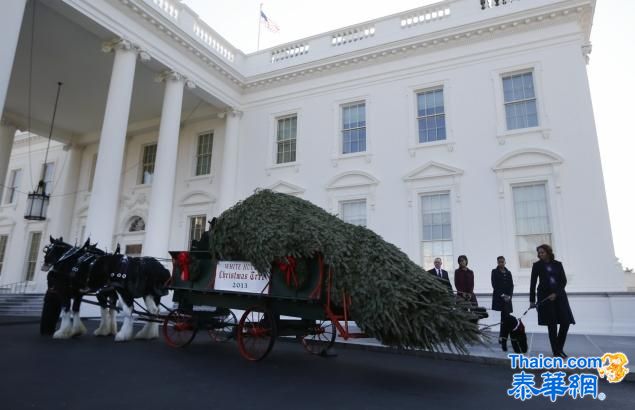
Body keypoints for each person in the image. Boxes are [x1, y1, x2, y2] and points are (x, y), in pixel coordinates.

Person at [529, 244, 575, 358]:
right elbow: (533, 283)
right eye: (539, 253)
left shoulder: (558, 264)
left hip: (559, 296)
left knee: (565, 322)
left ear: (548, 252)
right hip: (545, 298)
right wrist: (532, 300)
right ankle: (556, 352)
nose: (540, 254)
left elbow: (563, 281)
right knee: (552, 324)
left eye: (542, 252)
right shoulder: (537, 265)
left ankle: (558, 348)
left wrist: (556, 293)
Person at [491, 256, 514, 351]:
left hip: (508, 299)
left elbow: (511, 285)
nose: (501, 263)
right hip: (500, 298)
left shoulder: (508, 272)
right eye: (499, 262)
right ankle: (503, 337)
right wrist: (503, 295)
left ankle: (503, 336)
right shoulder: (494, 272)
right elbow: (494, 285)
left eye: (502, 262)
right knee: (504, 318)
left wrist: (509, 296)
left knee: (505, 318)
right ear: (497, 262)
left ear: (505, 262)